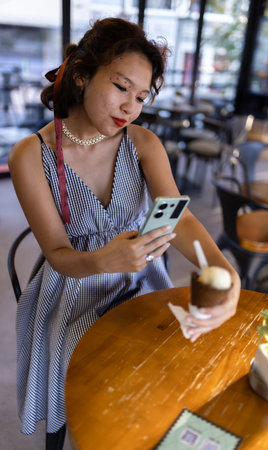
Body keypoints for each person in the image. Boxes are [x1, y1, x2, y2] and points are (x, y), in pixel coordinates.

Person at [8, 17, 241, 449]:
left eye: (140, 96)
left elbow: (177, 218)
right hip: (72, 288)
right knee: (94, 375)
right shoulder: (30, 155)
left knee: (175, 357)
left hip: (140, 283)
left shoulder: (144, 144)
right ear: (81, 75)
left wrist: (226, 273)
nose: (130, 107)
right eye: (120, 87)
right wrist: (104, 260)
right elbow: (58, 253)